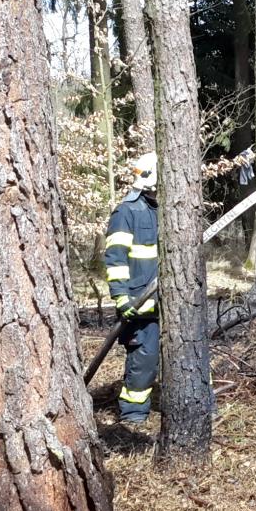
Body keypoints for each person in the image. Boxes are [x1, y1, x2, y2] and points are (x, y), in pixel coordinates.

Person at [104, 153, 161, 424]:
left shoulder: (173, 210)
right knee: (144, 361)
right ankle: (134, 417)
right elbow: (115, 257)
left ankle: (202, 406)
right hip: (141, 305)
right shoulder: (127, 212)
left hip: (175, 305)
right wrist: (121, 297)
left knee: (193, 356)